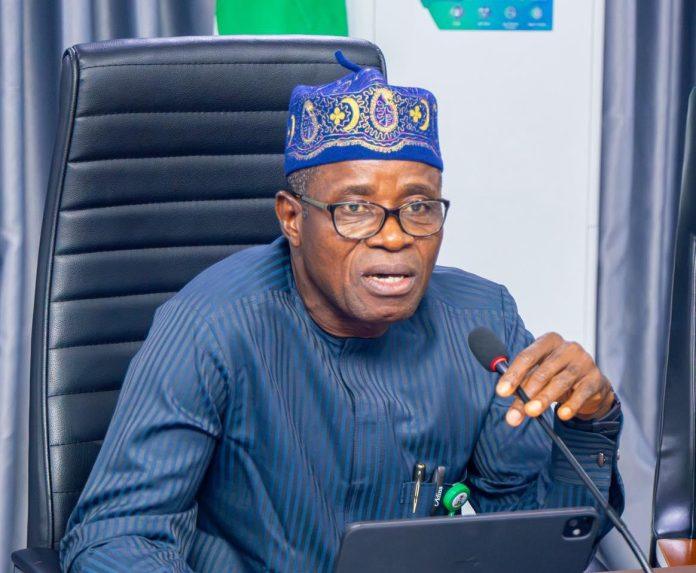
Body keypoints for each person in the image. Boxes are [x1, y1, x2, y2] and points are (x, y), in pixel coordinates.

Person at [59, 50, 623, 573]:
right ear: (292, 218)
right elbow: (116, 538)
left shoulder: (484, 321)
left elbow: (525, 539)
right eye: (355, 208)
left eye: (419, 206)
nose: (395, 237)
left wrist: (588, 426)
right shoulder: (211, 326)